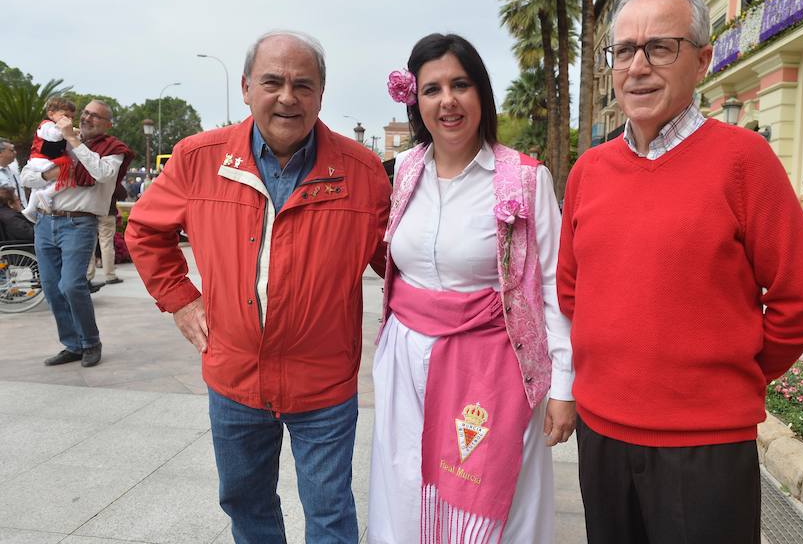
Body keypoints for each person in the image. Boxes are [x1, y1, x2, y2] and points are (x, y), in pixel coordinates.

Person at [556, 0, 803, 544]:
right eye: (624, 50)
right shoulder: (589, 170)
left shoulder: (744, 162)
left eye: (660, 47)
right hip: (602, 437)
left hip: (704, 448)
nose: (638, 66)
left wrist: (733, 373)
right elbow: (571, 290)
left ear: (703, 60)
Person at [125, 31, 391, 544]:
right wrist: (181, 300)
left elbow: (400, 264)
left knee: (330, 511)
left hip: (324, 381)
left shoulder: (361, 172)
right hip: (235, 377)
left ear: (320, 94)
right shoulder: (198, 159)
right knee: (245, 502)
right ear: (247, 88)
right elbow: (144, 229)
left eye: (302, 84)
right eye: (272, 82)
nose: (287, 97)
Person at [369, 33, 575, 544]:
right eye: (432, 88)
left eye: (460, 84)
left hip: (495, 369)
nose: (448, 101)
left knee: (493, 506)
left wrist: (564, 388)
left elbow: (552, 287)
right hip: (406, 363)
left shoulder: (524, 180)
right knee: (407, 490)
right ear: (416, 101)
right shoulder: (406, 171)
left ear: (482, 93)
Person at [20, 100, 133, 368]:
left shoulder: (112, 149)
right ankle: (72, 344)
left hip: (79, 224)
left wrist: (74, 140)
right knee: (50, 288)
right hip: (45, 222)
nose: (87, 118)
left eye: (95, 116)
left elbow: (102, 174)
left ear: (108, 124)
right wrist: (51, 174)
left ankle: (91, 342)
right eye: (85, 113)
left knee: (71, 285)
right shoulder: (56, 142)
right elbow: (27, 175)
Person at [21, 97, 79, 222]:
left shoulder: (53, 126)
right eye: (65, 116)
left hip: (41, 161)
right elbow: (54, 136)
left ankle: (30, 208)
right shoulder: (47, 125)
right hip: (41, 160)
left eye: (71, 117)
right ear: (51, 114)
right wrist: (69, 132)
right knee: (69, 176)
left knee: (37, 186)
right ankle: (47, 194)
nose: (69, 120)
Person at [0, 139, 27, 208]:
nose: (15, 153)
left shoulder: (14, 170)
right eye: (11, 151)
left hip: (21, 214)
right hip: (6, 215)